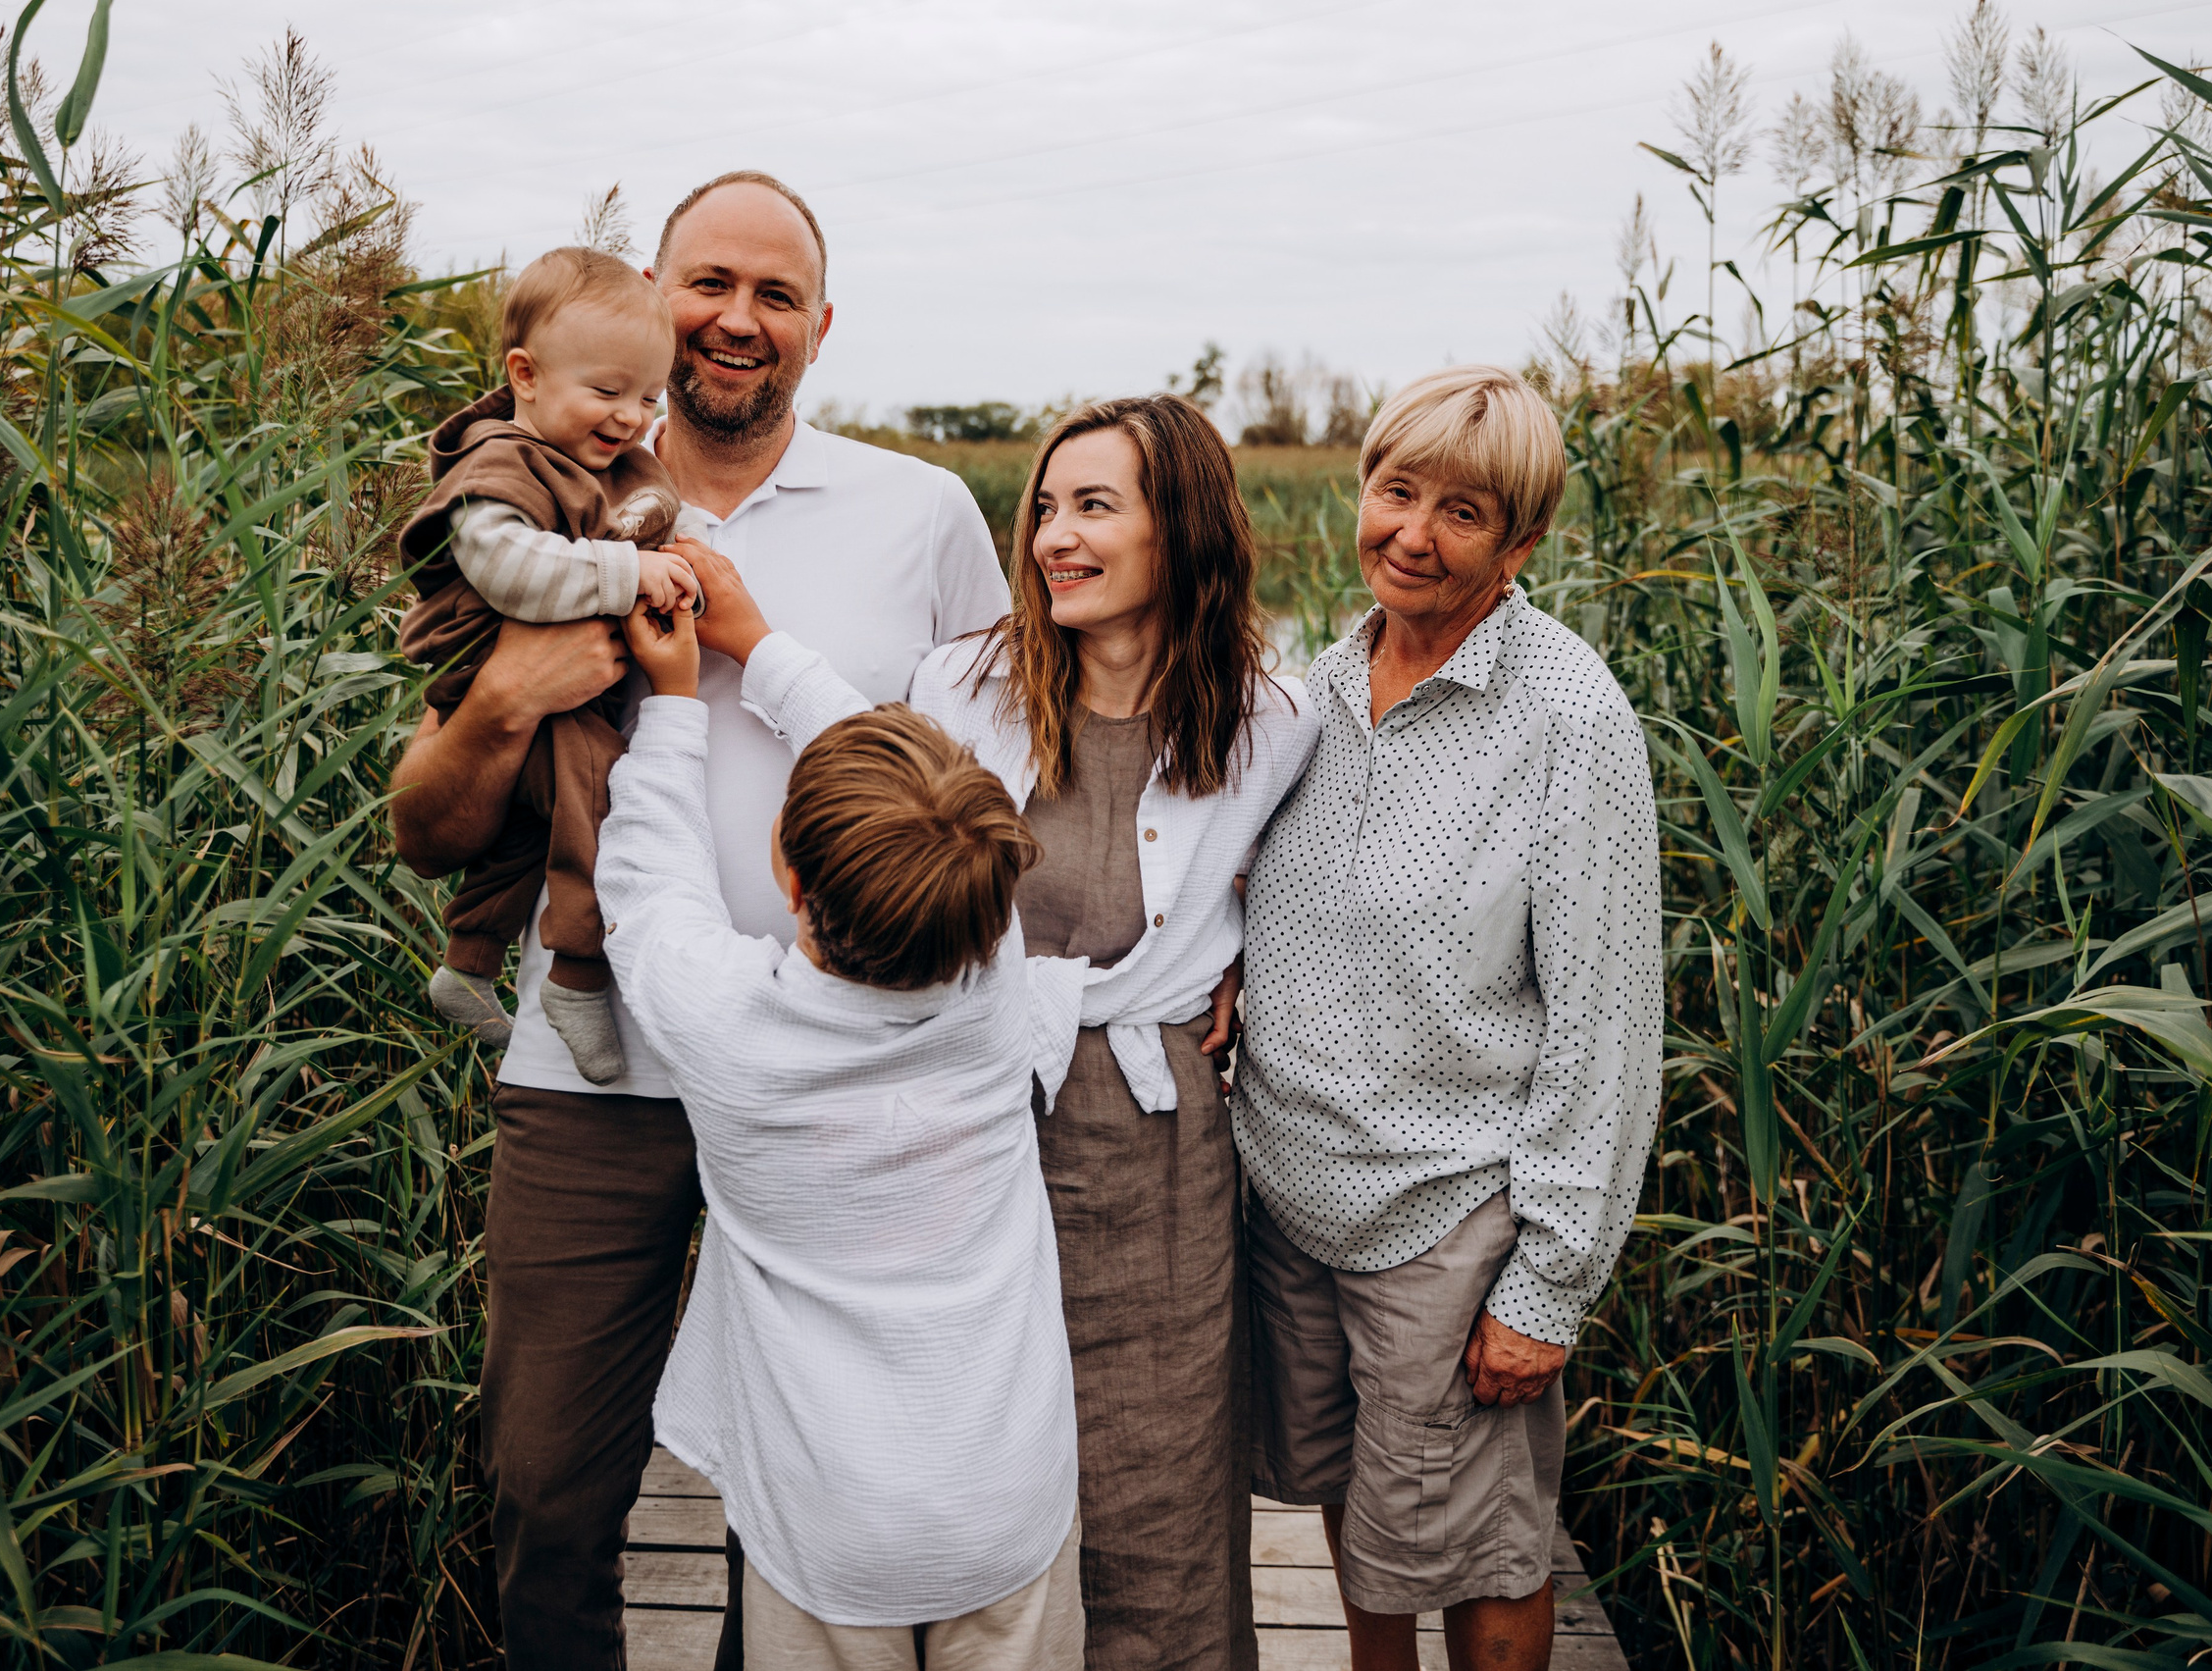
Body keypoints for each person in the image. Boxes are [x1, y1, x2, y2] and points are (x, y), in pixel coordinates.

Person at [386, 171, 1008, 1671]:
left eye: (776, 293)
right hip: (592, 1064)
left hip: (837, 1078)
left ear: (821, 327)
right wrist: (505, 695)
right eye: (709, 283)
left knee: (802, 1498)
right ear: (654, 299)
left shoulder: (921, 515)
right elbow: (426, 831)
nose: (739, 318)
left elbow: (989, 794)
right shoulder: (548, 493)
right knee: (545, 1482)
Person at [688, 393, 1319, 1670]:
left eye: (1094, 506)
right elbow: (869, 774)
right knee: (927, 1450)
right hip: (963, 1124)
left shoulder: (1272, 718)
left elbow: (1322, 875)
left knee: (1152, 1474)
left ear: (1181, 527)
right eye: (1045, 506)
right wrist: (752, 640)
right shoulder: (964, 684)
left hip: (1153, 1150)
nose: (1051, 537)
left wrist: (1253, 949)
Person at [1231, 367, 1662, 1671]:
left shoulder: (1567, 717)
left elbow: (1607, 1026)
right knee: (1357, 1507)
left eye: (1462, 512)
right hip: (1292, 1196)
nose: (1413, 533)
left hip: (1447, 1217)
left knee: (1481, 1544)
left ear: (1521, 542)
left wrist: (1549, 1282)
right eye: (1396, 490)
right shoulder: (1322, 680)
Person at [602, 602, 1084, 1669]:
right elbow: (931, 812)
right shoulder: (993, 980)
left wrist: (675, 699)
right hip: (1007, 1498)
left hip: (826, 1520)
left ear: (789, 878)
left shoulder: (723, 1024)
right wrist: (765, 647)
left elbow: (648, 881)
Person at [399, 246, 707, 1087]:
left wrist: (677, 558)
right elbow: (510, 570)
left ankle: (468, 959)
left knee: (530, 829)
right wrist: (629, 574)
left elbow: (635, 525)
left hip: (564, 687)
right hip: (487, 668)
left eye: (649, 398)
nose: (631, 417)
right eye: (607, 391)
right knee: (601, 798)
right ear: (525, 375)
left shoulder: (598, 464)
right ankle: (575, 974)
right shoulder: (500, 464)